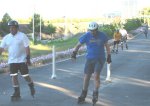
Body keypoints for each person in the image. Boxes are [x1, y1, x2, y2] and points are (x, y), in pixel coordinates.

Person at [71, 22, 111, 105]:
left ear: (97, 29)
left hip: (100, 59)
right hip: (89, 59)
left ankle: (95, 94)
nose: (93, 32)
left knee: (96, 76)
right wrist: (74, 53)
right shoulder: (86, 35)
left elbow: (107, 46)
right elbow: (78, 45)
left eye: (94, 30)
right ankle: (83, 95)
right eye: (91, 30)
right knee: (86, 77)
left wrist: (109, 55)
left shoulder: (102, 35)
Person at [0, 20, 35, 100]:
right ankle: (17, 92)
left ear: (17, 28)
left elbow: (27, 47)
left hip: (22, 60)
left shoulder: (22, 36)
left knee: (25, 75)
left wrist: (28, 58)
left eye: (13, 27)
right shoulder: (6, 38)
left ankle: (31, 85)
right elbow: (1, 48)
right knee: (13, 76)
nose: (11, 29)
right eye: (10, 28)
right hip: (12, 60)